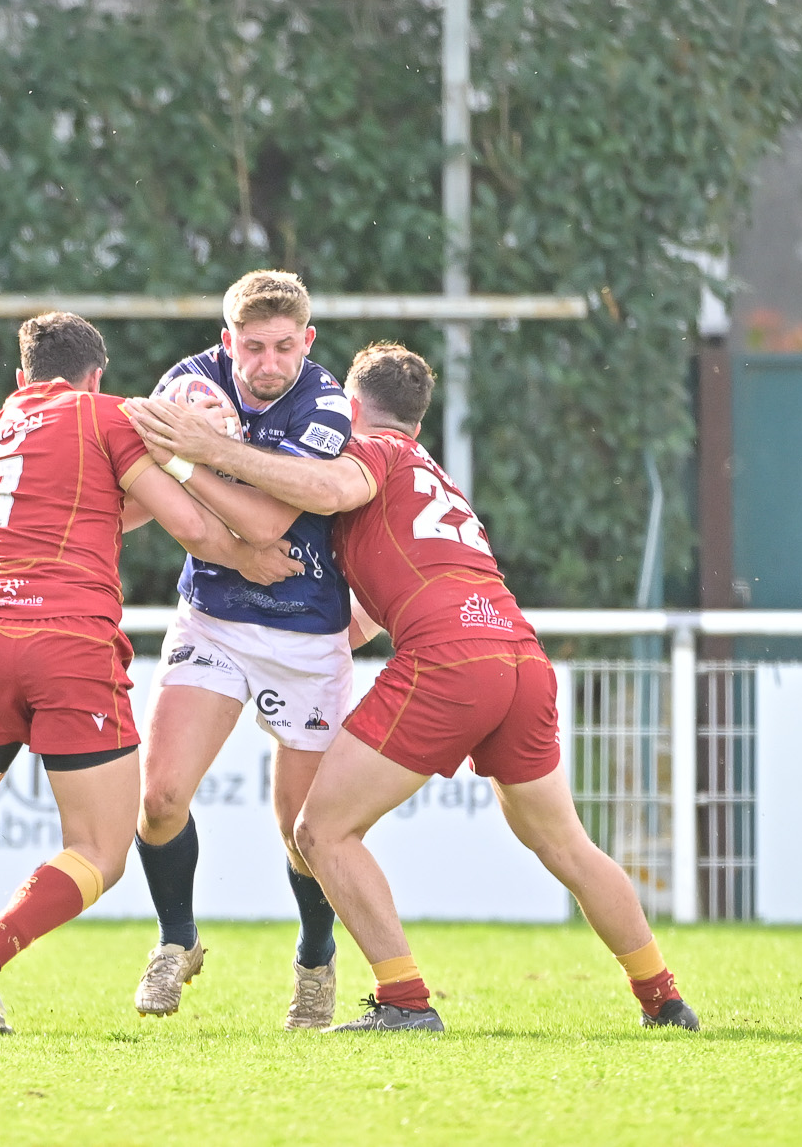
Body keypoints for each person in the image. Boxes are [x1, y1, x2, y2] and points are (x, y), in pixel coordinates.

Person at [133, 342, 700, 1032]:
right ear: (421, 423)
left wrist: (210, 450)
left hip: (450, 659)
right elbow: (368, 615)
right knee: (566, 846)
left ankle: (404, 1000)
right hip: (517, 653)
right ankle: (664, 998)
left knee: (320, 830)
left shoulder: (372, 453)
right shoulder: (437, 480)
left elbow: (327, 490)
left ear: (350, 408)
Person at [0, 313, 302, 1035]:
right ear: (97, 376)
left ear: (21, 376)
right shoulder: (107, 416)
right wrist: (249, 555)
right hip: (70, 646)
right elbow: (190, 529)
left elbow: (99, 509)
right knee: (99, 851)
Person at [129, 269, 359, 1030]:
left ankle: (315, 961)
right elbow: (161, 497)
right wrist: (191, 465)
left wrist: (196, 456)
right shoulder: (186, 384)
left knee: (304, 833)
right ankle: (176, 940)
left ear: (308, 341)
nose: (268, 363)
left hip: (306, 634)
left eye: (284, 347)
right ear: (226, 341)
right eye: (253, 347)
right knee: (160, 799)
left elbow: (266, 523)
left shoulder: (326, 404)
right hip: (214, 620)